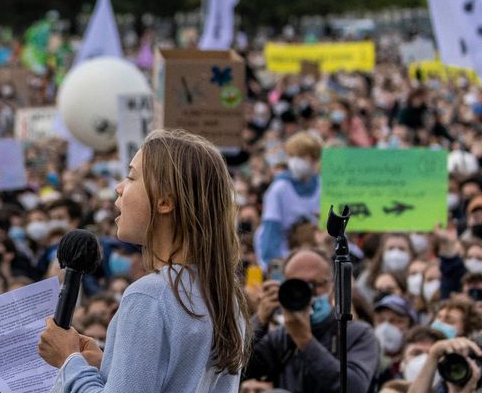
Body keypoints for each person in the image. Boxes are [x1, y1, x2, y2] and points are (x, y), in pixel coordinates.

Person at [37, 129, 251, 391]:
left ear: (164, 202)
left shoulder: (151, 296)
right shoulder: (223, 294)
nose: (119, 187)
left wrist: (68, 361)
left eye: (131, 177)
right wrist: (108, 364)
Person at [244, 250, 380, 392]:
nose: (308, 292)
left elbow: (354, 388)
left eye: (316, 284)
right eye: (298, 284)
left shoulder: (357, 334)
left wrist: (305, 341)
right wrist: (259, 321)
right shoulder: (281, 337)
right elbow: (237, 373)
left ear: (332, 287)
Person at [254, 132, 323, 270]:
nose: (295, 161)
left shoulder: (322, 187)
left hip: (314, 256)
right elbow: (271, 230)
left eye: (301, 156)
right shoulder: (279, 189)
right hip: (285, 256)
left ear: (315, 159)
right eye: (292, 156)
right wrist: (274, 267)